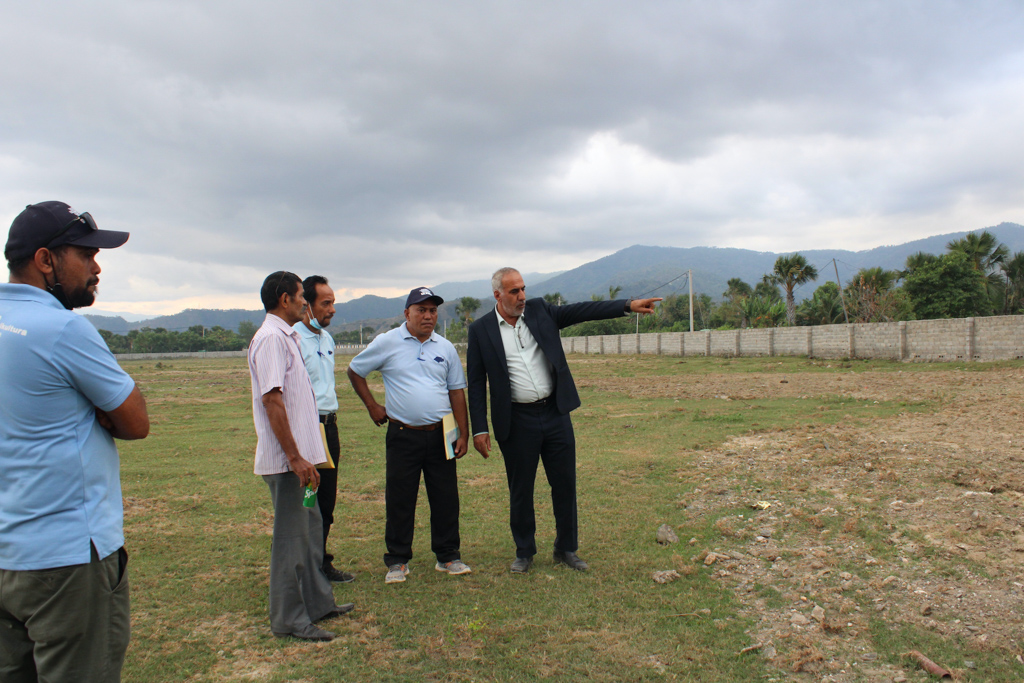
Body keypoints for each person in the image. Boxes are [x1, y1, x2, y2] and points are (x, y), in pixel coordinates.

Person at [0, 201, 150, 682]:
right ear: (46, 261)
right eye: (85, 254)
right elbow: (134, 421)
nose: (96, 266)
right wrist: (93, 409)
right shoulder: (64, 329)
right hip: (66, 560)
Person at [467, 267, 660, 573]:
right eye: (514, 291)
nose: (522, 296)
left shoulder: (540, 311)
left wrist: (626, 305)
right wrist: (479, 428)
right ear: (497, 295)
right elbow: (476, 383)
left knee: (565, 484)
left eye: (523, 289)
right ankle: (524, 552)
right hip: (516, 421)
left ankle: (566, 548)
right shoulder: (481, 330)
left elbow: (582, 311)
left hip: (555, 414)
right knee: (521, 489)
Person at [248, 271, 353, 642]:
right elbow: (272, 400)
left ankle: (319, 603)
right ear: (284, 299)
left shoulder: (287, 336)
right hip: (288, 464)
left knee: (309, 532)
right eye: (300, 297)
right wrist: (295, 457)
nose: (306, 304)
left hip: (306, 460)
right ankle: (290, 618)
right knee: (291, 541)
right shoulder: (271, 340)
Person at [347, 287, 473, 584]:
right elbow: (355, 371)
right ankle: (397, 560)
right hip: (403, 433)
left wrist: (463, 434)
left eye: (432, 311)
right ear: (407, 313)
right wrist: (372, 405)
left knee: (445, 496)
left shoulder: (445, 348)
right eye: (421, 310)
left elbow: (457, 391)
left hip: (442, 433)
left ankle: (448, 556)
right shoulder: (387, 341)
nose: (428, 316)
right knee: (401, 497)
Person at [294, 275, 355, 584]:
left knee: (326, 499)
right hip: (307, 429)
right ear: (306, 304)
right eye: (326, 303)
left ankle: (320, 561)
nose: (332, 309)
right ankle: (302, 566)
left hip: (329, 428)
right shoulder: (291, 339)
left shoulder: (326, 339)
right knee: (307, 498)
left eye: (333, 303)